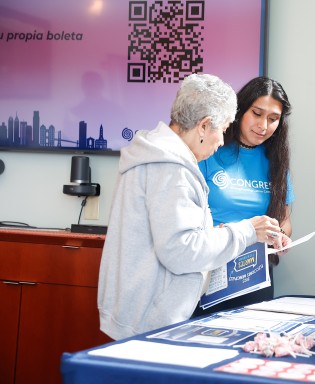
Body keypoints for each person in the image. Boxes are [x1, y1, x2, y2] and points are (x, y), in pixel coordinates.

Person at [97, 74, 285, 341]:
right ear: (204, 126)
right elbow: (181, 250)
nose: (221, 141)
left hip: (140, 309)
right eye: (222, 129)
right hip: (153, 318)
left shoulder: (153, 153)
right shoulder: (172, 168)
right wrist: (246, 231)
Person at [195, 76, 294, 314]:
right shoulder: (210, 151)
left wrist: (280, 235)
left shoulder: (276, 163)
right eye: (257, 114)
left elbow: (285, 221)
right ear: (240, 111)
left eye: (273, 119)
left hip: (255, 276)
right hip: (209, 273)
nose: (263, 125)